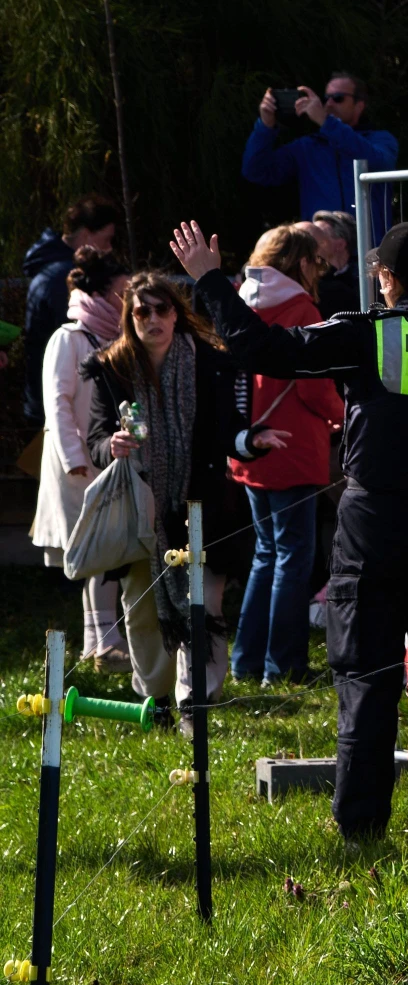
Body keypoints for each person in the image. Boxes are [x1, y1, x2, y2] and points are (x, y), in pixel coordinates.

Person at [172, 218, 408, 842]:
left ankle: (362, 827)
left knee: (367, 678)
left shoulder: (369, 333)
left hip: (375, 528)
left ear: (387, 278)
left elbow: (264, 351)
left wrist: (209, 281)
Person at [85, 273, 251, 707]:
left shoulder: (209, 362)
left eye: (162, 309)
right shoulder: (112, 368)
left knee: (203, 604)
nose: (154, 319)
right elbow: (96, 438)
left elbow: (230, 427)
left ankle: (196, 701)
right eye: (143, 311)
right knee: (142, 611)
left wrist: (251, 442)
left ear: (177, 314)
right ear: (130, 317)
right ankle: (156, 699)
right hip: (142, 509)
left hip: (201, 502)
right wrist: (111, 445)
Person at [228, 227, 344, 687]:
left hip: (251, 445)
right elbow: (315, 387)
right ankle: (283, 666)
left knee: (266, 554)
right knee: (293, 558)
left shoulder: (242, 301)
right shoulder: (301, 309)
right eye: (317, 261)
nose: (320, 270)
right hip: (293, 446)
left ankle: (246, 660)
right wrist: (344, 414)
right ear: (300, 263)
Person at [30, 254, 128, 668]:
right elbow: (57, 403)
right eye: (123, 292)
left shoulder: (115, 338)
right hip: (77, 466)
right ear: (102, 293)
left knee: (105, 551)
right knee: (97, 551)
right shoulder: (68, 338)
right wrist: (75, 459)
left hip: (107, 459)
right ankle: (103, 641)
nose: (129, 300)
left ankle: (100, 642)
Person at [244, 74, 398, 230]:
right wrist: (265, 125)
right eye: (326, 99)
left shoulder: (380, 139)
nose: (329, 104)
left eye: (338, 98)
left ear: (359, 105)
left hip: (370, 243)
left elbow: (380, 163)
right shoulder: (307, 147)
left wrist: (325, 121)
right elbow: (255, 171)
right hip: (322, 243)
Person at [22, 194, 122, 425]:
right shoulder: (66, 278)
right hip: (63, 405)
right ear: (86, 236)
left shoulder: (49, 269)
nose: (108, 249)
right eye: (106, 240)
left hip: (44, 395)